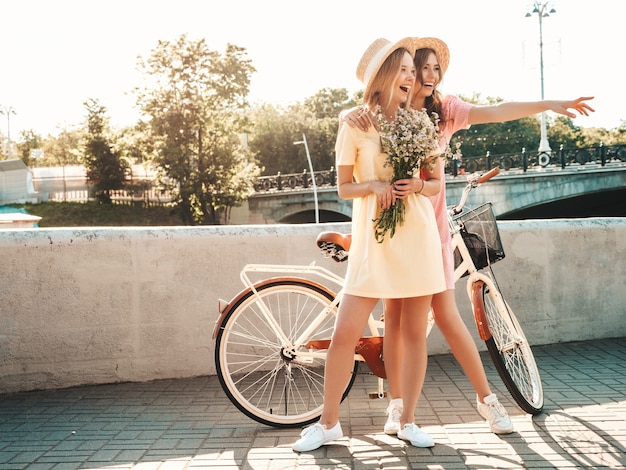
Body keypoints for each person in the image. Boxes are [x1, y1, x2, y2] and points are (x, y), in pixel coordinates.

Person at [342, 35, 595, 437]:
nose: (426, 75)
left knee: (446, 315)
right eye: (417, 67)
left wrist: (549, 104)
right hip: (391, 228)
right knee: (394, 317)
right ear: (401, 74)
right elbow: (360, 140)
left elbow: (496, 111)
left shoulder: (445, 111)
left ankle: (486, 400)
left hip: (433, 230)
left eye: (433, 68)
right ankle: (397, 408)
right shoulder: (391, 112)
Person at [291, 37, 447, 452]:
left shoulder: (419, 122)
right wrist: (374, 184)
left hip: (416, 236)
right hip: (373, 241)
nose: (412, 76)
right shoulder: (355, 123)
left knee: (414, 334)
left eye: (415, 71)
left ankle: (408, 421)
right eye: (404, 69)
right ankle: (328, 425)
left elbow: (434, 184)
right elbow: (343, 187)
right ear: (382, 76)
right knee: (345, 334)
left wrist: (416, 183)